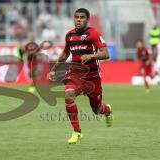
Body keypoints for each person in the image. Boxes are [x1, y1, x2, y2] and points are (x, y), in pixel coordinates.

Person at [47, 8, 113, 144]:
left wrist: (91, 56)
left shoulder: (94, 34)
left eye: (82, 17)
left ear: (87, 20)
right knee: (68, 95)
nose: (78, 19)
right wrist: (53, 69)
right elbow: (65, 54)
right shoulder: (69, 35)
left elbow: (106, 54)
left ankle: (107, 111)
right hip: (75, 74)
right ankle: (77, 132)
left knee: (96, 109)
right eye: (76, 17)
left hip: (93, 77)